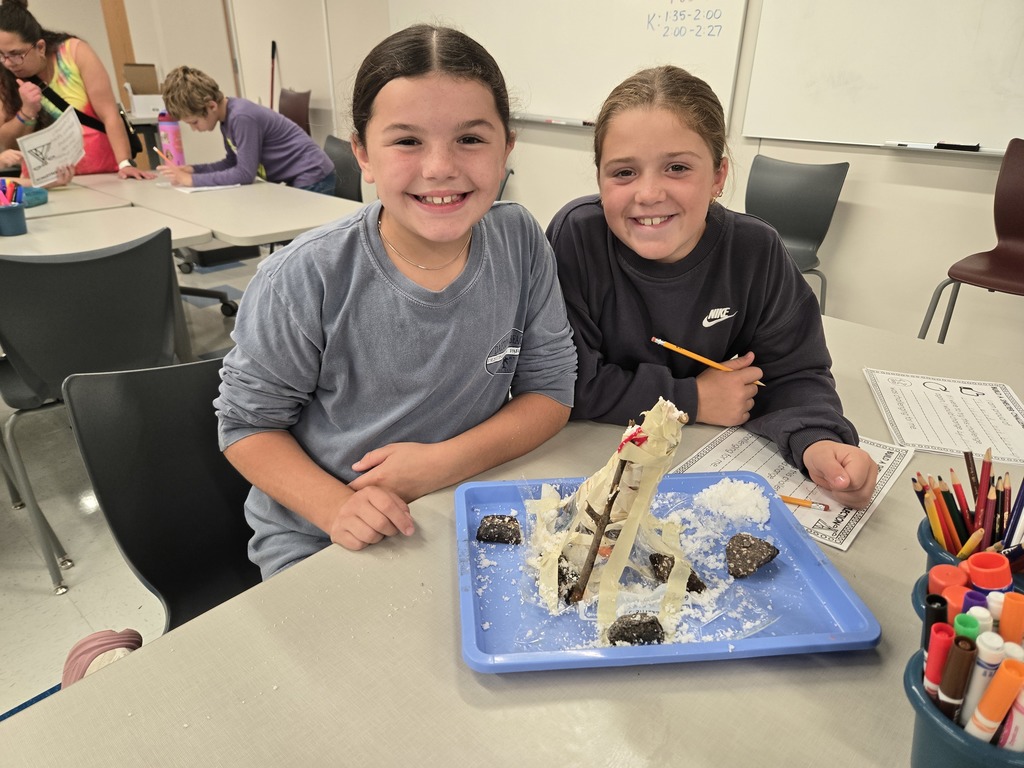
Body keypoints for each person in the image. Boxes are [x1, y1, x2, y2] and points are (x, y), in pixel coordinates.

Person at [214, 24, 577, 579]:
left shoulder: (519, 239)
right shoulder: (305, 276)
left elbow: (550, 391)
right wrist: (337, 507)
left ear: (508, 147)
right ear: (362, 152)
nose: (440, 168)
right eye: (407, 141)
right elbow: (246, 426)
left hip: (462, 505)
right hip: (328, 537)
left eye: (471, 139)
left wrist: (440, 464)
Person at [546, 65, 877, 509]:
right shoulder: (577, 236)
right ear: (600, 178)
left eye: (677, 167)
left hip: (704, 472)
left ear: (719, 176)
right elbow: (566, 382)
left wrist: (816, 440)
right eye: (623, 173)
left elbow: (793, 373)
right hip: (592, 462)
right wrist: (694, 398)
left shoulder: (755, 250)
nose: (647, 193)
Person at [0, 0, 150, 180]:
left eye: (16, 54)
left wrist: (125, 163)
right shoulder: (5, 76)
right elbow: (7, 142)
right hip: (47, 181)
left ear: (40, 47)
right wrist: (26, 113)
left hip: (101, 173)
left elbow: (109, 114)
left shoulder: (74, 52)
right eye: (1, 55)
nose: (8, 62)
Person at [158, 65, 336, 194]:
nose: (194, 129)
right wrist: (194, 170)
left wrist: (191, 181)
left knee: (299, 238)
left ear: (211, 106)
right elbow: (232, 162)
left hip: (313, 175)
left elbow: (244, 174)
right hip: (302, 177)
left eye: (194, 122)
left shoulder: (241, 117)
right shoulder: (226, 119)